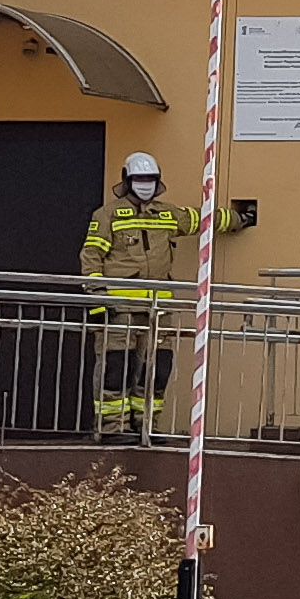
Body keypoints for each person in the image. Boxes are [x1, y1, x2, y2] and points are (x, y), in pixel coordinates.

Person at [80, 152, 196, 440]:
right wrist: (98, 302)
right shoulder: (106, 215)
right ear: (127, 180)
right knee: (116, 368)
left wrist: (240, 217)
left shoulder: (166, 214)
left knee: (156, 371)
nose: (145, 184)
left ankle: (146, 426)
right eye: (139, 179)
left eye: (150, 179)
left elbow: (200, 219)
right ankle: (111, 428)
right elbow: (91, 258)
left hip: (158, 310)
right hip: (120, 309)